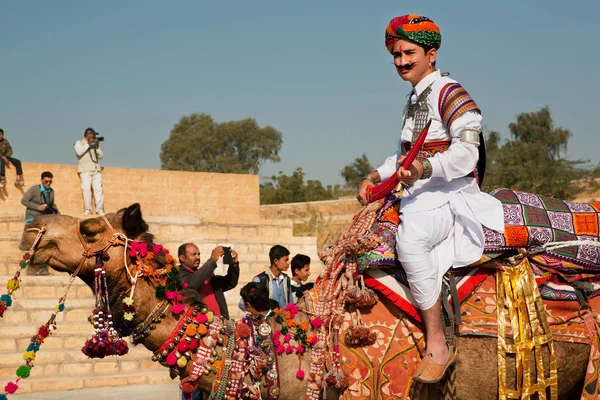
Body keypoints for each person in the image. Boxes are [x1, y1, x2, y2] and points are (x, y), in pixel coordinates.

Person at [356, 15, 504, 383]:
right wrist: (375, 176)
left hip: (450, 194)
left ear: (431, 53)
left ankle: (437, 342)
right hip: (420, 192)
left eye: (408, 53)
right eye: (395, 54)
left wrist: (424, 169)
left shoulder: (451, 93)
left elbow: (467, 154)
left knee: (411, 241)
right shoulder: (413, 99)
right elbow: (402, 156)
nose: (401, 61)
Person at [178, 243, 239, 319]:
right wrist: (212, 261)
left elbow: (230, 283)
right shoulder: (178, 274)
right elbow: (191, 285)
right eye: (194, 254)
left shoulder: (206, 273)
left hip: (220, 323)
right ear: (182, 258)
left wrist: (233, 264)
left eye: (199, 254)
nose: (198, 257)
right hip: (198, 326)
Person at [239, 245, 293, 310]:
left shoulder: (286, 279)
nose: (289, 262)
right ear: (276, 261)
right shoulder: (260, 280)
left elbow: (290, 304)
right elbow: (243, 303)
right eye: (286, 260)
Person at [73, 127, 104, 215]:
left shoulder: (94, 143)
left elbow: (101, 156)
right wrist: (88, 144)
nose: (94, 136)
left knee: (98, 190)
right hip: (85, 170)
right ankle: (88, 209)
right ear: (88, 134)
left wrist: (97, 147)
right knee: (86, 189)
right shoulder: (79, 143)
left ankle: (99, 209)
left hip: (96, 169)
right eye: (93, 134)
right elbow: (79, 152)